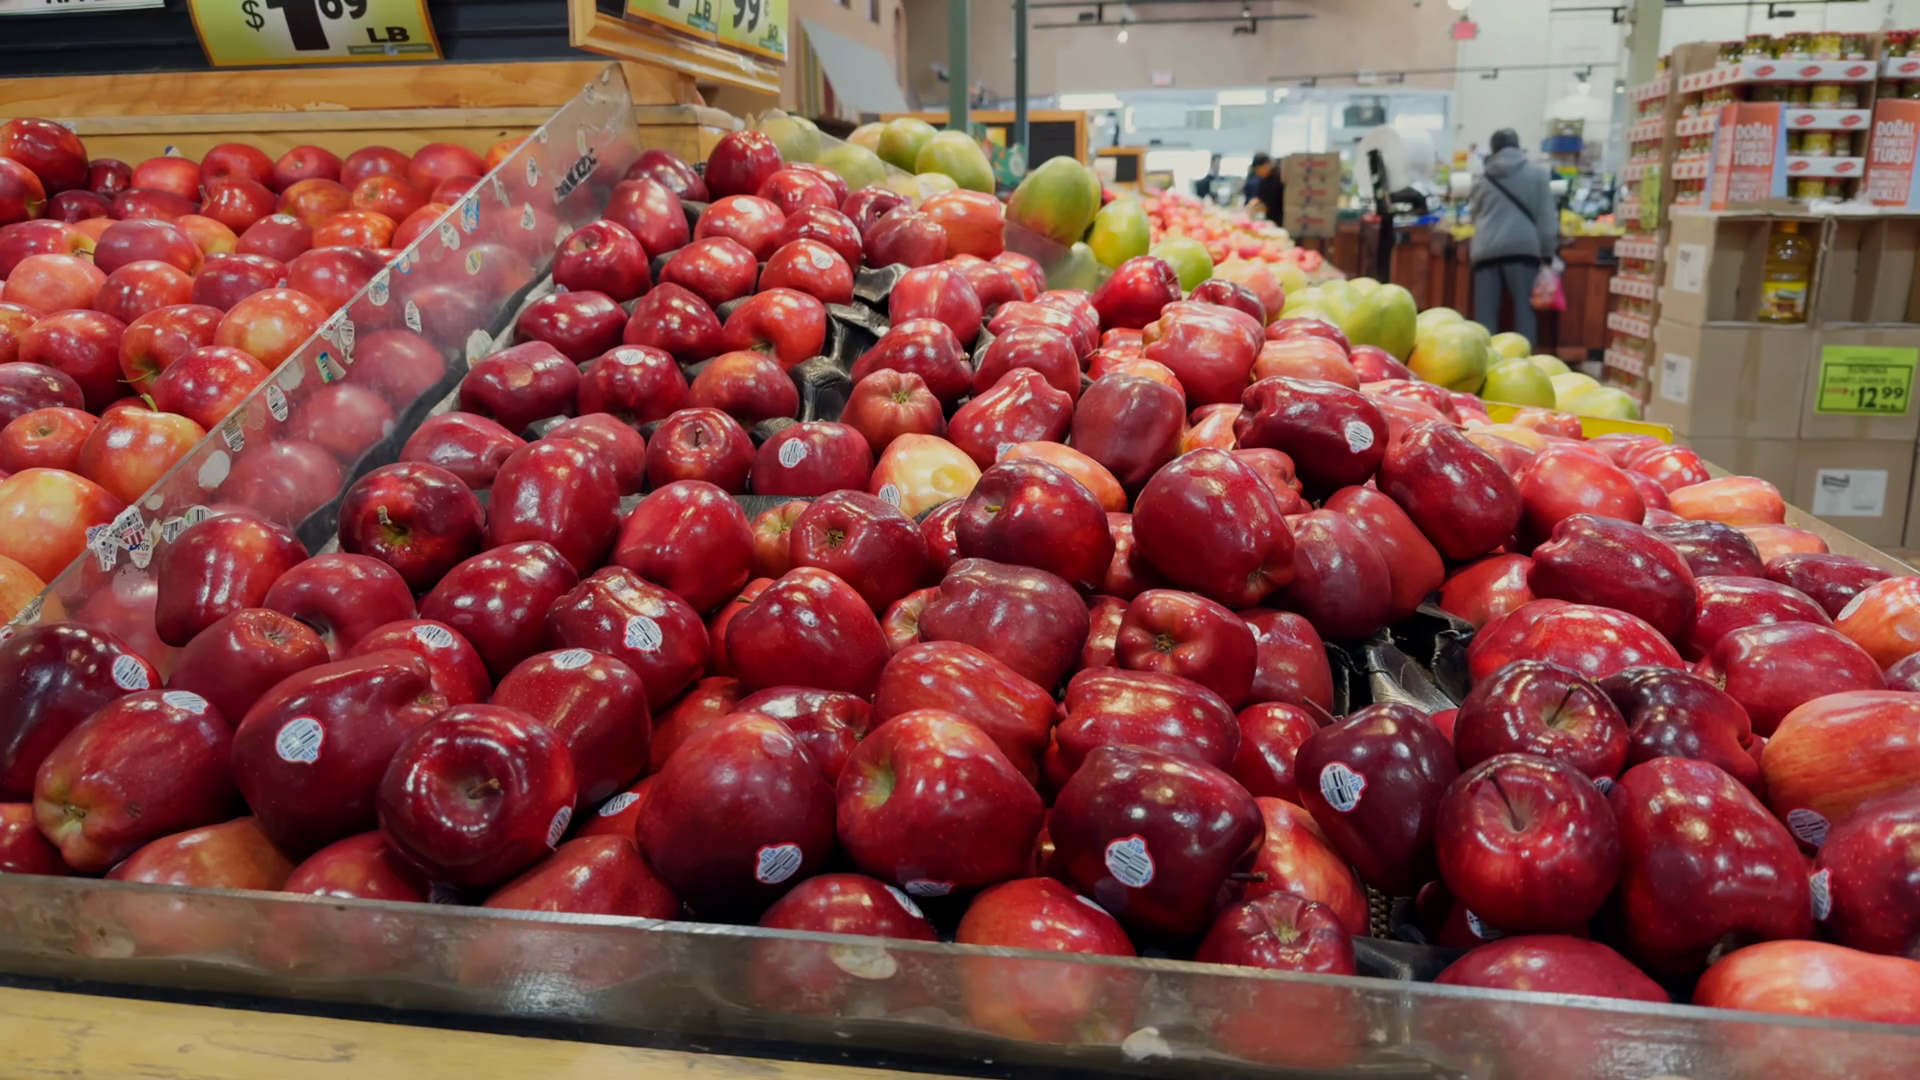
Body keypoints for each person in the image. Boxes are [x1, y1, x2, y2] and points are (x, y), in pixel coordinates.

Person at [1468, 128, 1558, 343]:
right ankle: (1525, 358)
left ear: (1493, 149)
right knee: (1525, 313)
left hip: (1486, 250)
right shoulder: (1538, 174)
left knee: (1485, 319)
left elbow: (1474, 215)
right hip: (1523, 249)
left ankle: (1485, 358)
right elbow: (1547, 219)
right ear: (1518, 146)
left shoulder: (1482, 177)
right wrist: (1547, 252)